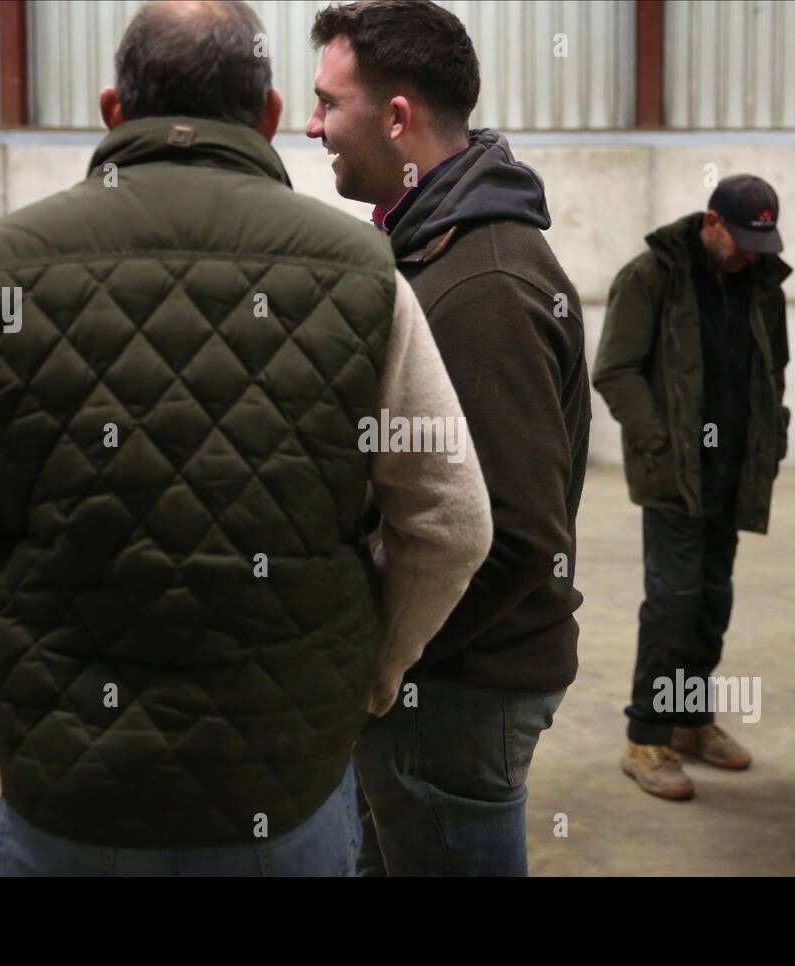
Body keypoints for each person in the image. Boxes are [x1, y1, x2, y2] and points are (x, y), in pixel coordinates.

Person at [0, 0, 492, 877]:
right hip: (284, 785)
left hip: (70, 788)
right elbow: (450, 523)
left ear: (114, 109)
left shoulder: (3, 264)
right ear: (266, 117)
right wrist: (370, 676)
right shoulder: (360, 270)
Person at [306, 0, 589, 876]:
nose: (313, 125)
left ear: (396, 117)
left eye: (327, 102)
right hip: (440, 677)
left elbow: (517, 535)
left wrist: (384, 661)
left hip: (461, 685)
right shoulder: (429, 249)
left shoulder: (483, 284)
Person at [594, 175, 791, 800]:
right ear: (711, 224)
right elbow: (615, 370)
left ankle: (689, 719)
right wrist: (659, 439)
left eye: (761, 239)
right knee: (672, 604)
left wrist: (771, 436)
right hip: (674, 475)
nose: (750, 251)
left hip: (733, 473)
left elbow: (774, 369)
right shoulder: (652, 275)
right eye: (740, 238)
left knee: (712, 603)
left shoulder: (761, 284)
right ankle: (644, 739)